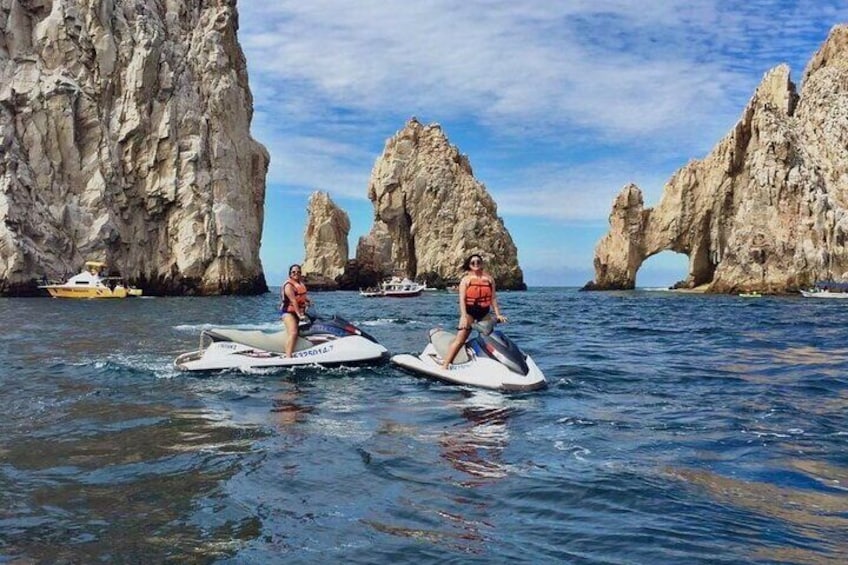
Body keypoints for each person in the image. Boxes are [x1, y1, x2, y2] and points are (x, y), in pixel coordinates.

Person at [441, 254, 507, 369]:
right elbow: (461, 299)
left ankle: (493, 364)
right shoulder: (465, 280)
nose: (476, 264)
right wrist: (463, 316)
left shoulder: (489, 279)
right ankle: (445, 365)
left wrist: (498, 314)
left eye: (478, 262)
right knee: (460, 340)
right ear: (469, 265)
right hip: (470, 313)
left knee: (489, 337)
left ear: (482, 264)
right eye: (473, 263)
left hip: (484, 313)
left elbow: (493, 298)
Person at [280, 264, 311, 357]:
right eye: (293, 272)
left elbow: (301, 297)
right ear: (290, 274)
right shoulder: (288, 286)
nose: (296, 274)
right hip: (288, 313)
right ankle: (288, 357)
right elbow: (293, 301)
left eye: (298, 272)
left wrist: (308, 301)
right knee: (293, 333)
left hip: (299, 313)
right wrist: (299, 315)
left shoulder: (300, 284)